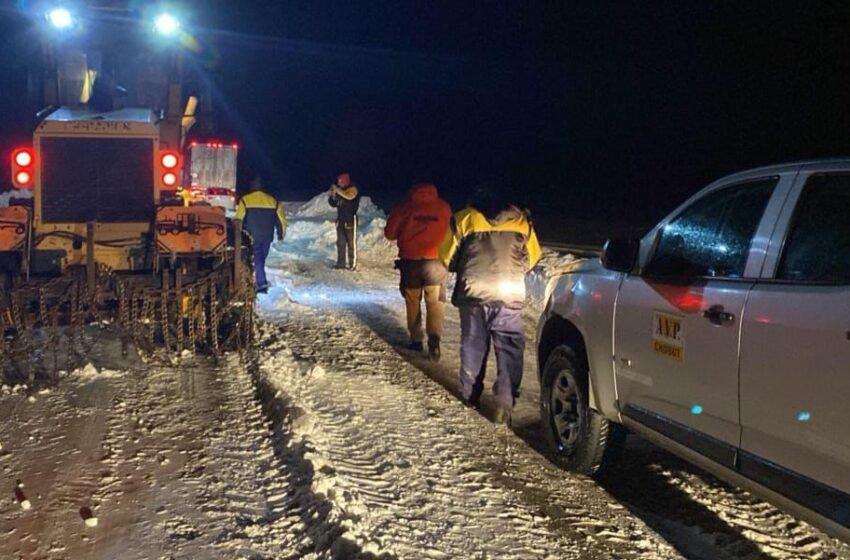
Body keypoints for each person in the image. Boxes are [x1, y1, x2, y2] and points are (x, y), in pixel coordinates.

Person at [438, 187, 542, 425]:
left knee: (473, 344)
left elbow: (446, 256)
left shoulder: (464, 218)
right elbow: (534, 256)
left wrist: (463, 265)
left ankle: (469, 395)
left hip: (474, 292)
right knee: (510, 348)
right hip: (509, 292)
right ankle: (505, 403)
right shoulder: (521, 221)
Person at [384, 182, 452, 360]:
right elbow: (451, 232)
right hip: (436, 262)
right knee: (435, 301)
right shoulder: (444, 208)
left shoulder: (403, 207)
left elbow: (390, 233)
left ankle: (416, 339)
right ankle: (435, 338)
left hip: (411, 262)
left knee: (413, 300)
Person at [235, 176, 286, 294]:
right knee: (261, 258)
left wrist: (238, 234)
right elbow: (281, 220)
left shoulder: (245, 200)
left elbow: (238, 219)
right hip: (267, 236)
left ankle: (261, 284)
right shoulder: (273, 201)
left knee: (258, 259)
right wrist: (280, 233)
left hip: (251, 236)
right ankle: (259, 280)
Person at [328, 172, 361, 270]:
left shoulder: (352, 189)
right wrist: (332, 196)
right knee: (341, 243)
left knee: (351, 244)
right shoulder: (340, 190)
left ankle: (352, 264)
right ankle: (341, 263)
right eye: (338, 182)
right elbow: (333, 204)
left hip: (350, 220)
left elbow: (349, 196)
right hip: (341, 220)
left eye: (340, 182)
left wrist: (337, 190)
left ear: (345, 181)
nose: (339, 184)